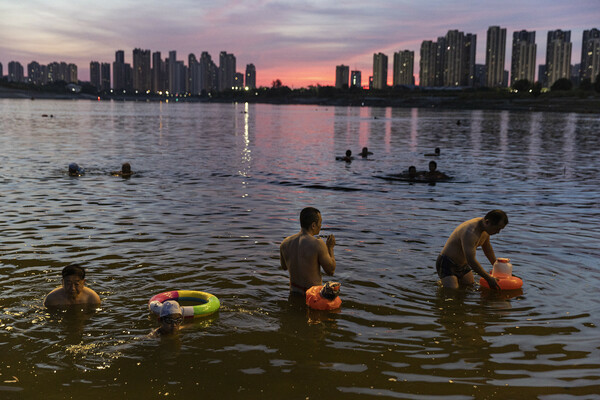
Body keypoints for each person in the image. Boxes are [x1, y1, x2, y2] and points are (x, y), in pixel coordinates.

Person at [436, 210, 509, 290]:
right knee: (452, 292)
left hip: (463, 264)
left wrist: (497, 267)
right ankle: (444, 282)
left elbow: (487, 248)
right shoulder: (470, 232)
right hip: (447, 263)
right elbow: (471, 260)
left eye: (500, 229)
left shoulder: (485, 229)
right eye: (497, 229)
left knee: (469, 286)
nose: (498, 232)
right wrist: (488, 278)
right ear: (487, 222)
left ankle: (444, 282)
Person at [280, 207, 336, 295]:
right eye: (320, 222)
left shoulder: (285, 243)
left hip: (294, 294)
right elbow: (330, 271)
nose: (321, 226)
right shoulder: (317, 243)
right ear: (313, 225)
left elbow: (284, 267)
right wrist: (330, 248)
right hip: (312, 296)